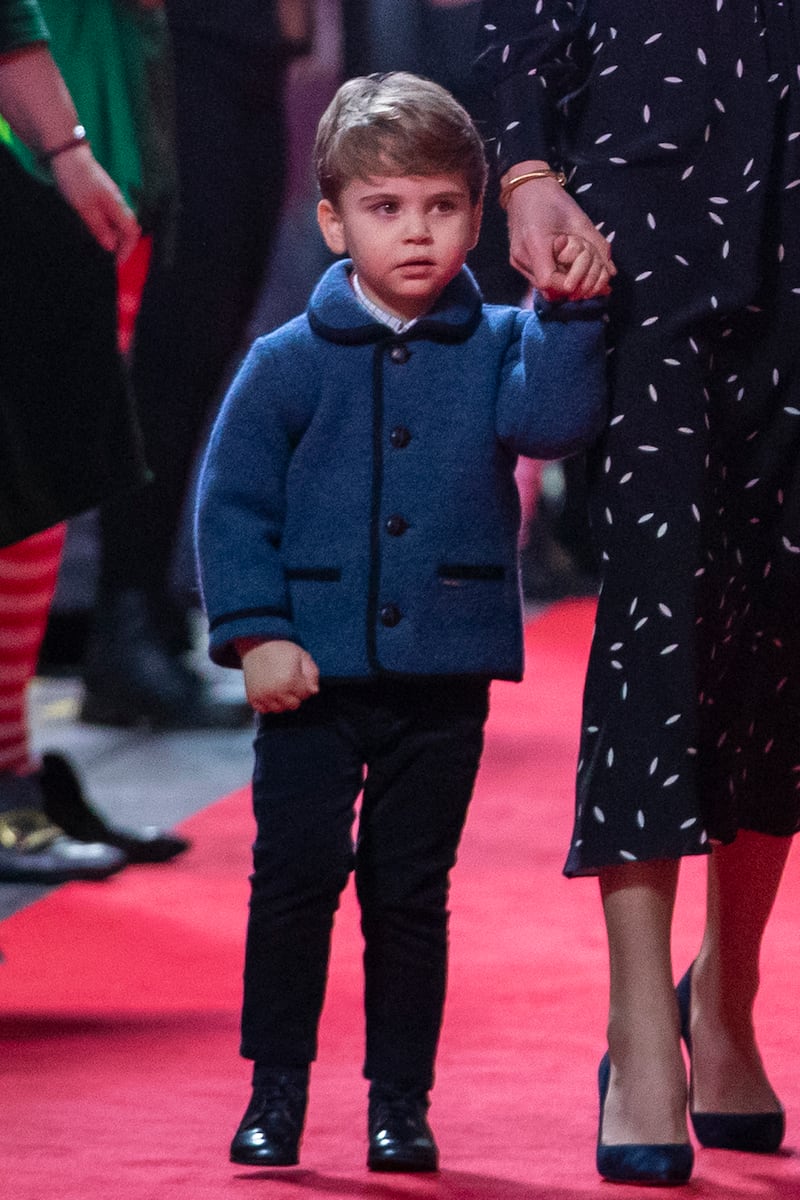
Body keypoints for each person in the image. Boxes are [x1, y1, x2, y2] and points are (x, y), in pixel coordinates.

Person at [195, 70, 608, 1171]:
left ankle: (399, 1104)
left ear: (477, 216)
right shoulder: (285, 363)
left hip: (442, 672)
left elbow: (552, 426)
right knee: (291, 884)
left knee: (407, 894)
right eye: (384, 208)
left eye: (438, 206)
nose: (415, 232)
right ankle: (274, 1090)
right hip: (309, 677)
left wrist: (569, 314)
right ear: (332, 221)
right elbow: (231, 503)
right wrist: (253, 629)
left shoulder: (502, 344)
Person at [476, 1, 800, 1186]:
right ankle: (633, 1026)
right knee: (657, 621)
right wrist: (520, 172)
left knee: (783, 631)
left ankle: (726, 991)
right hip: (646, 209)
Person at [77, 0, 315, 730]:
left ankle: (149, 615)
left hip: (257, 56)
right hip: (177, 48)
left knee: (212, 336)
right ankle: (123, 623)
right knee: (172, 341)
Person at [0, 0, 187, 883]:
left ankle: (13, 765)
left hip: (92, 110)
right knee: (27, 477)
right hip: (50, 117)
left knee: (45, 482)